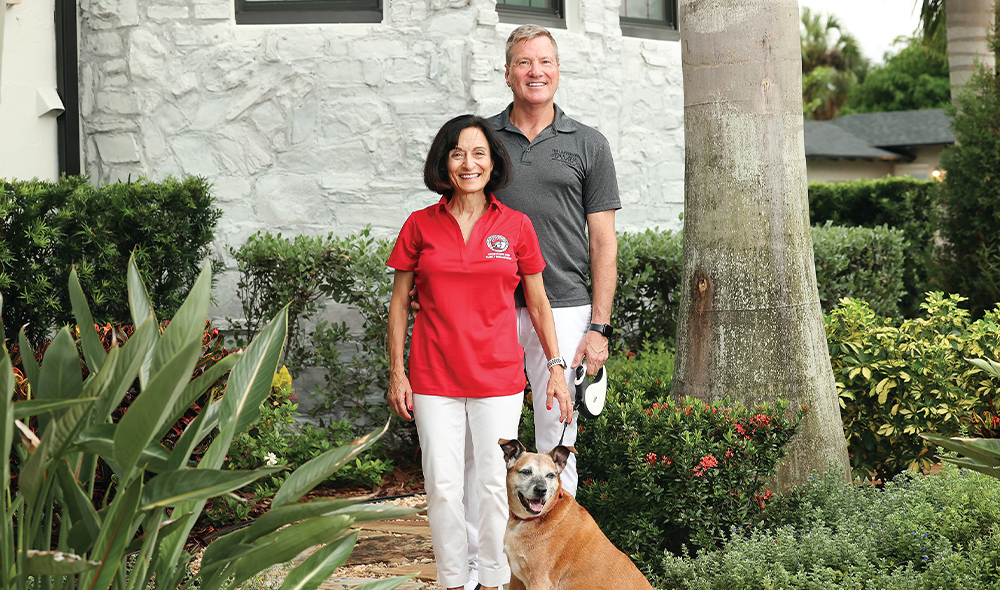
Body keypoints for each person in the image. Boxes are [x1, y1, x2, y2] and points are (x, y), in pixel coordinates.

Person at [386, 114, 572, 590]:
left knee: (494, 486)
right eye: (457, 153)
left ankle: (492, 581)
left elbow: (537, 301)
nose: (468, 164)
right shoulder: (419, 225)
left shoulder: (515, 226)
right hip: (433, 378)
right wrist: (397, 373)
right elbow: (400, 303)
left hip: (498, 378)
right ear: (443, 163)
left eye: (479, 154)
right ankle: (452, 581)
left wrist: (554, 366)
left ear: (493, 163)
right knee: (443, 487)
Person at [488, 22, 620, 498]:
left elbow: (603, 243)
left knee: (556, 441)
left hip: (564, 308)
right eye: (524, 62)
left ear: (558, 71)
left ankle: (561, 567)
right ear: (508, 74)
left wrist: (599, 327)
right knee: (491, 436)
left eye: (545, 61)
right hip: (493, 309)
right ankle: (493, 566)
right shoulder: (482, 141)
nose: (535, 71)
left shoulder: (588, 143)